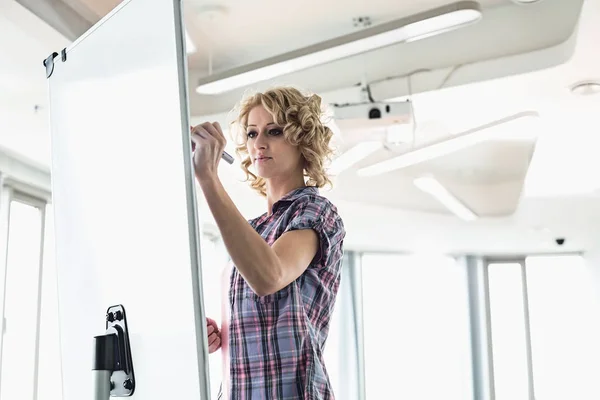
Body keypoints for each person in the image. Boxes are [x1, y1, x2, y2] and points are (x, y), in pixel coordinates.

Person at [191, 86, 346, 399]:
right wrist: (218, 334)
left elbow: (269, 277)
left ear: (303, 140)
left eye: (274, 131)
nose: (258, 143)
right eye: (251, 133)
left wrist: (208, 177)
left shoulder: (315, 211)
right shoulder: (253, 230)